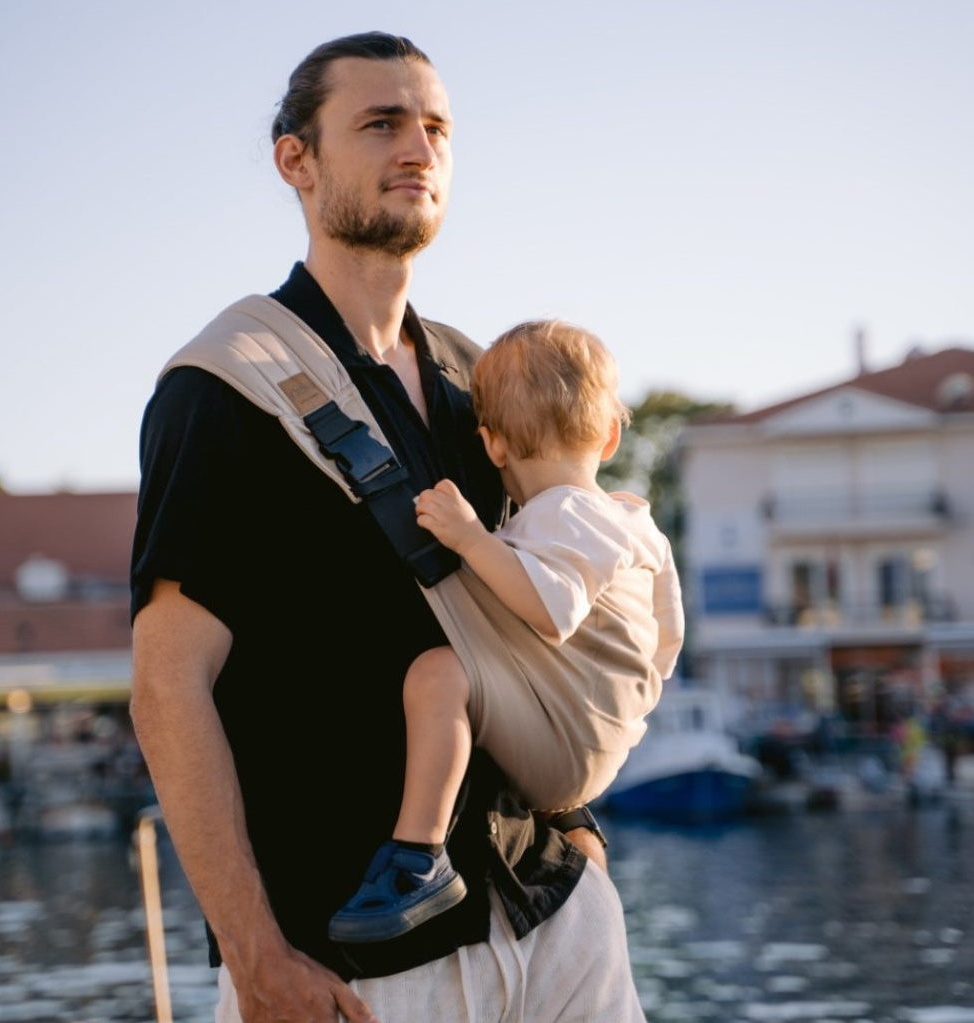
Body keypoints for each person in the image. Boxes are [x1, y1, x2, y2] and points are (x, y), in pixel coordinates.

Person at [130, 31, 647, 1023]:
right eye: (380, 124)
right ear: (297, 160)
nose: (419, 149)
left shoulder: (478, 377)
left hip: (553, 911)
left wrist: (576, 837)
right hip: (363, 964)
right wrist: (254, 956)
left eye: (436, 127)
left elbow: (536, 611)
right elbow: (167, 685)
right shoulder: (221, 390)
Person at [329, 318, 684, 944]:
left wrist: (470, 538)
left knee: (437, 676)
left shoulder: (565, 514)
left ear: (492, 447)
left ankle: (419, 857)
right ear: (607, 439)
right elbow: (667, 635)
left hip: (563, 743)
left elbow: (552, 608)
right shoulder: (633, 521)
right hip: (603, 740)